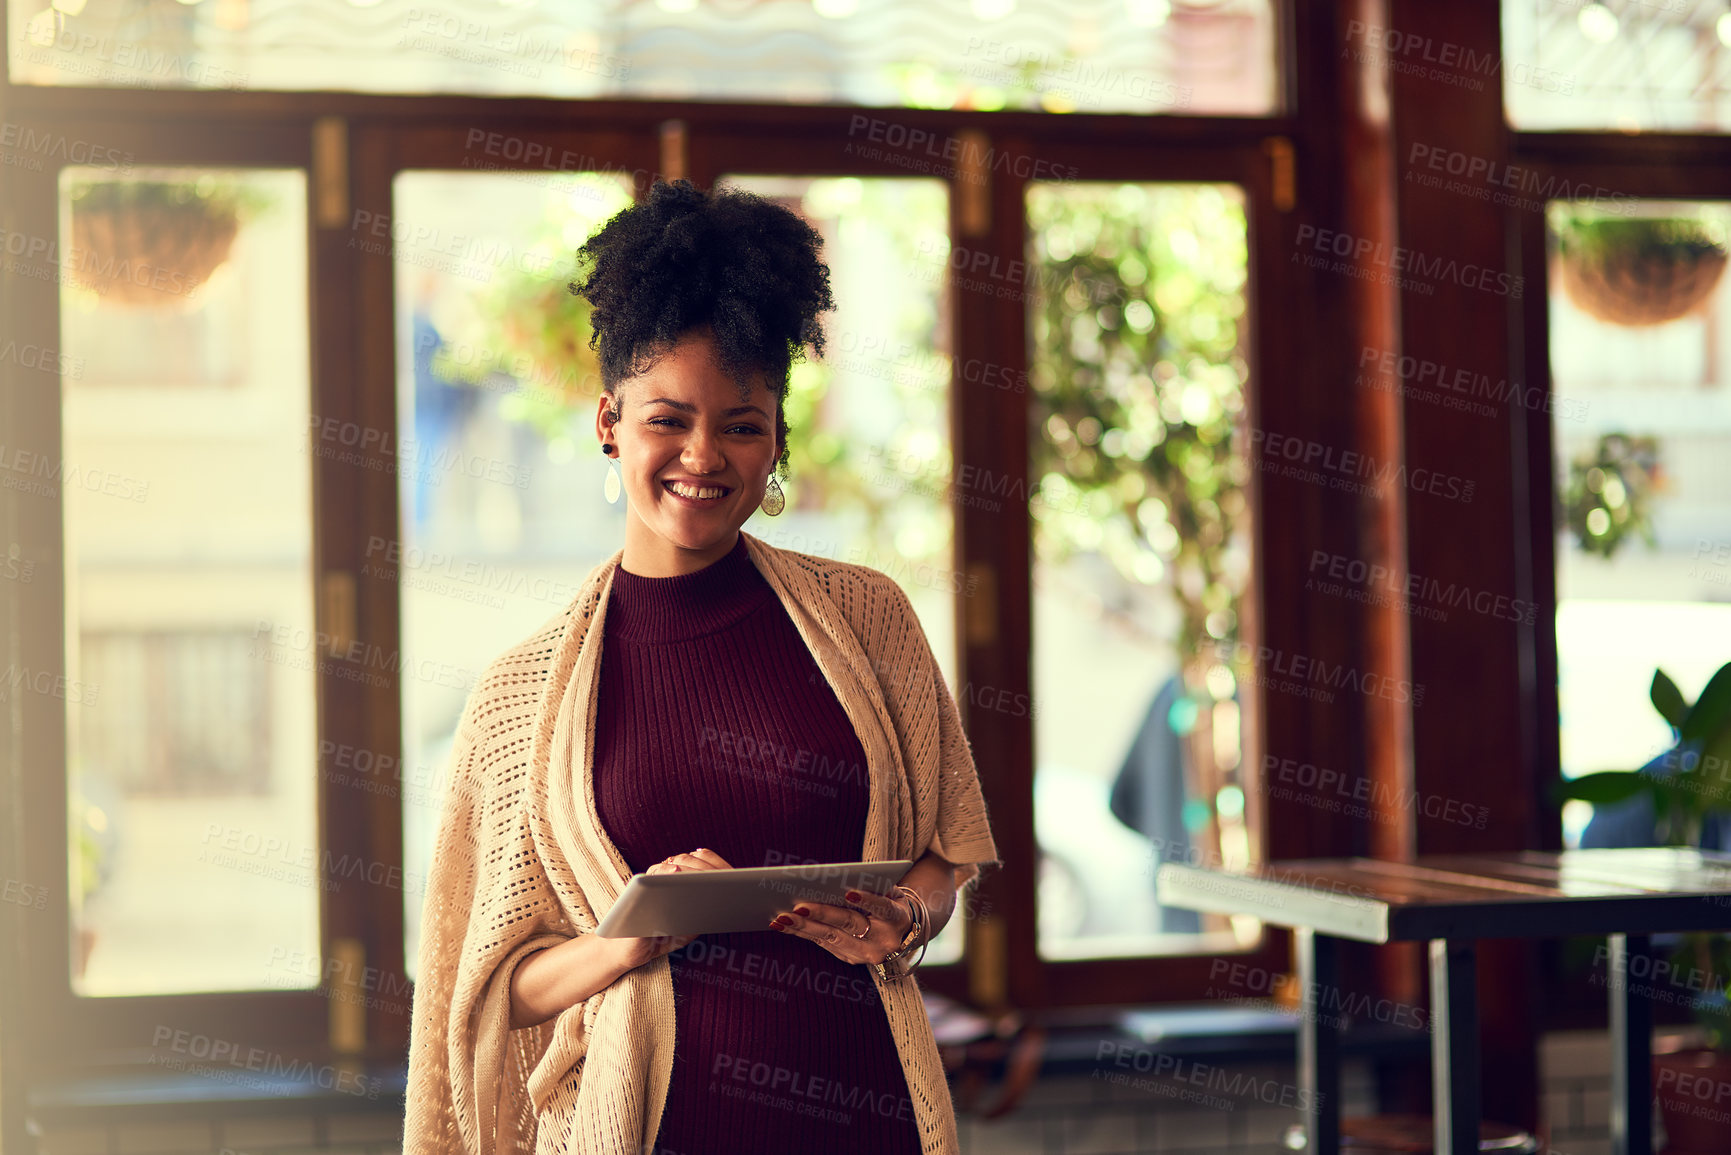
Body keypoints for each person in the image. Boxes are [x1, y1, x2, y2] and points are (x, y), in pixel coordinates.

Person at [404, 179, 999, 1155]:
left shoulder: (866, 616)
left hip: (866, 1112)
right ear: (608, 421)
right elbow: (487, 987)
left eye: (741, 423)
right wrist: (618, 943)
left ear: (777, 440)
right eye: (666, 419)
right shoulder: (521, 696)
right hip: (650, 1129)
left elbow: (947, 849)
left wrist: (905, 916)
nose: (702, 454)